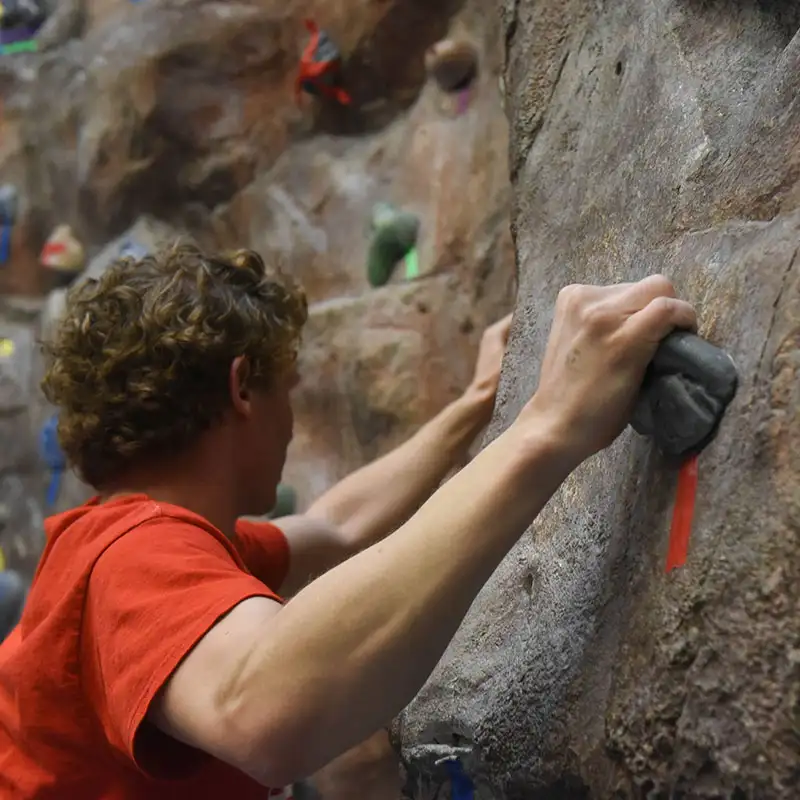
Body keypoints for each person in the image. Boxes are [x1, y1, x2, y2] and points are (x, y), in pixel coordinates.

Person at [0, 243, 696, 798]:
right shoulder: (133, 557)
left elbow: (337, 526)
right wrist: (547, 430)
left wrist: (481, 405)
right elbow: (261, 710)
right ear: (244, 387)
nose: (292, 421)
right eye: (288, 388)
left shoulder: (154, 539)